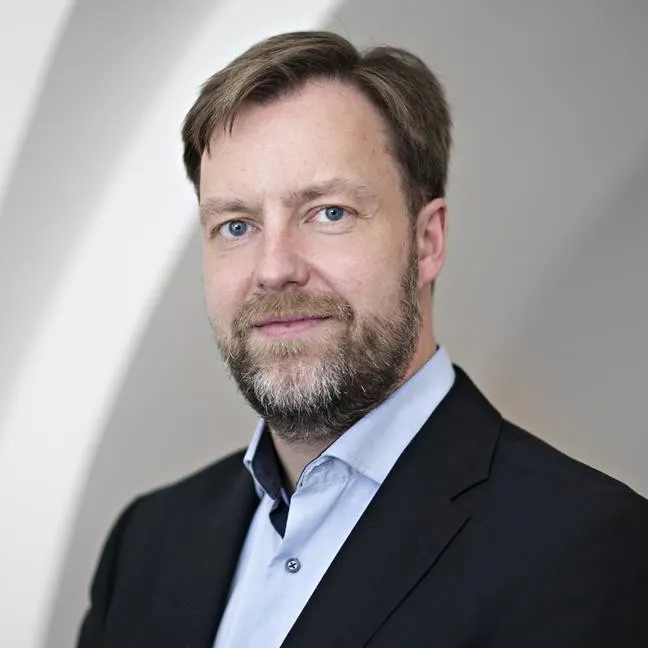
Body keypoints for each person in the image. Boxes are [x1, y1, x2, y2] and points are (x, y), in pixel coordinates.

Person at [77, 31, 648, 648]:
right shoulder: (146, 542)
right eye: (236, 225)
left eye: (329, 213)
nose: (274, 269)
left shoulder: (587, 548)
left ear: (426, 242)